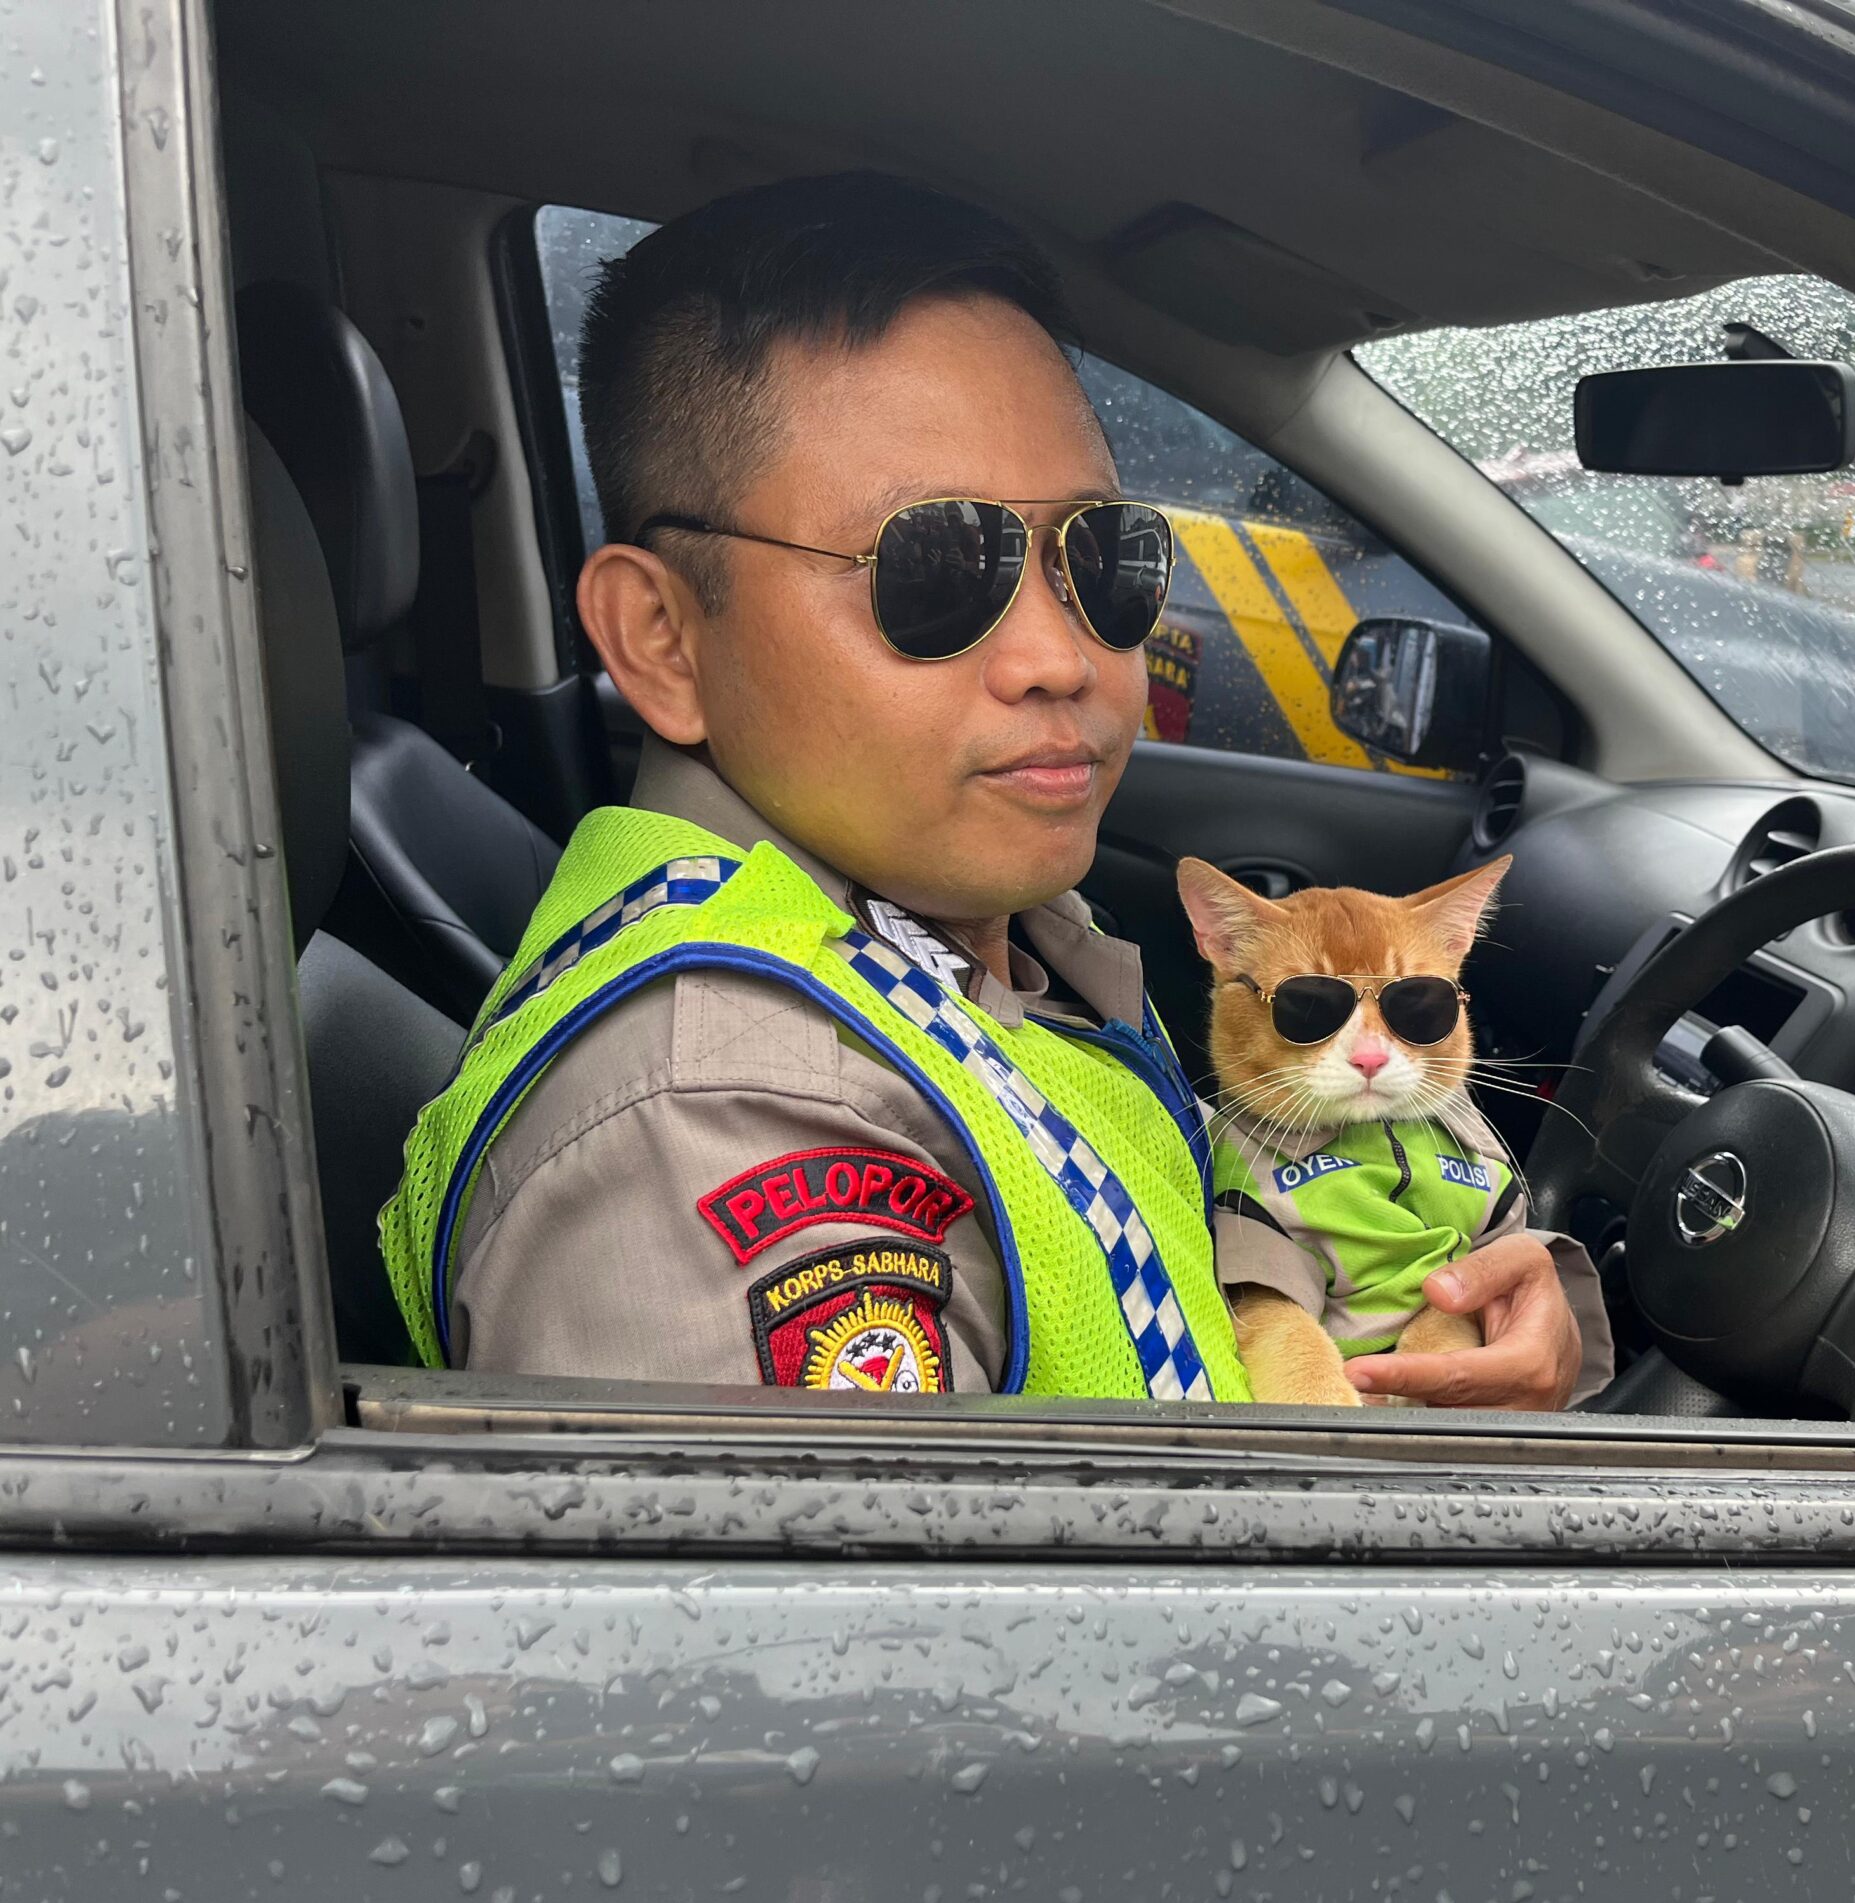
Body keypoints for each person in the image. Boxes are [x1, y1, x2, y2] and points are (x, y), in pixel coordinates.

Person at [378, 174, 1609, 1408]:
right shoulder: (728, 1126)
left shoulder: (961, 935)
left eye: (1104, 557)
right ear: (659, 639)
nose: (1061, 657)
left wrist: (1459, 1317)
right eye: (933, 570)